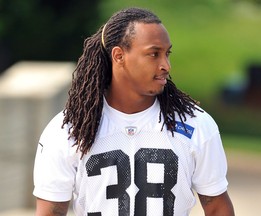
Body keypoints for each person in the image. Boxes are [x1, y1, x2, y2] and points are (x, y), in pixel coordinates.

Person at [33, 7, 234, 216]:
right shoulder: (68, 130)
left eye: (167, 54)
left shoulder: (195, 124)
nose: (166, 65)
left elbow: (217, 207)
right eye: (154, 54)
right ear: (119, 56)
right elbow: (51, 212)